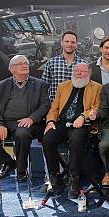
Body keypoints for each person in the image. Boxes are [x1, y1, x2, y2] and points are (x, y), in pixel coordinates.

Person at [0, 55, 50, 180]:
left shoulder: (40, 84)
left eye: (26, 63)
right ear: (12, 69)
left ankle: (21, 170)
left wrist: (32, 118)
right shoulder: (0, 85)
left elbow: (45, 105)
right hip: (4, 121)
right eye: (20, 63)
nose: (24, 65)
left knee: (22, 134)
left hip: (27, 122)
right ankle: (8, 162)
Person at [42, 63, 101, 198]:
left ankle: (74, 178)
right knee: (47, 139)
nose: (79, 73)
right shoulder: (63, 86)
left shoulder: (97, 87)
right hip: (62, 123)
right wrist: (50, 121)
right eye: (77, 71)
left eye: (83, 71)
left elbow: (96, 108)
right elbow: (54, 108)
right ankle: (55, 176)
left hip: (82, 124)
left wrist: (82, 116)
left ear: (89, 73)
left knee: (76, 140)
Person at [42, 30, 86, 101]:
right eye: (67, 41)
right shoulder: (51, 63)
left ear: (76, 44)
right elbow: (43, 87)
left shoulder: (83, 64)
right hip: (54, 107)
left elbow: (85, 89)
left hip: (75, 108)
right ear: (61, 43)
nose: (69, 44)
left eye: (73, 42)